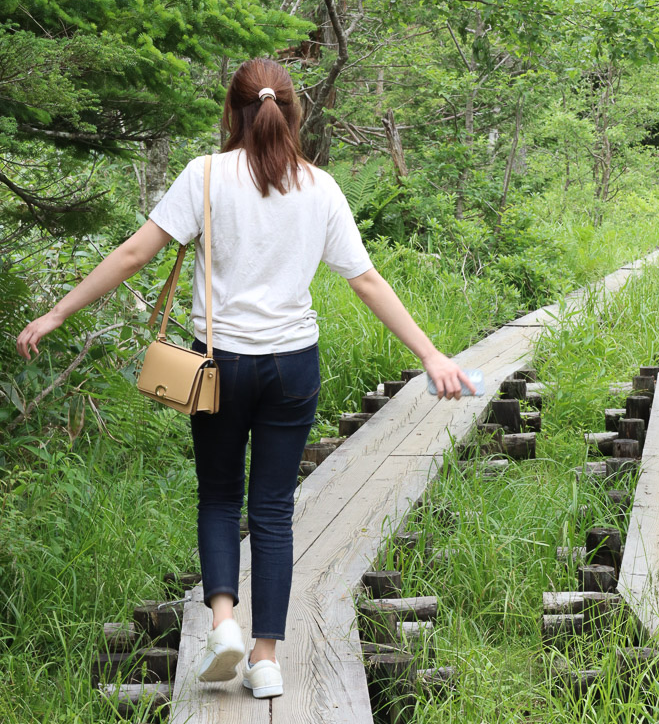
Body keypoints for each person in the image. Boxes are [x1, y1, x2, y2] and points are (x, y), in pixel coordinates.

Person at [16, 57, 475, 699]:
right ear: (294, 114)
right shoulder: (320, 187)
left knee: (218, 498)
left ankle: (224, 622)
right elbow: (366, 280)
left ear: (232, 111)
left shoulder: (204, 177)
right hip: (292, 366)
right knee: (274, 513)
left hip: (220, 365)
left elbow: (134, 252)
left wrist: (57, 311)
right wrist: (432, 355)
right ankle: (265, 661)